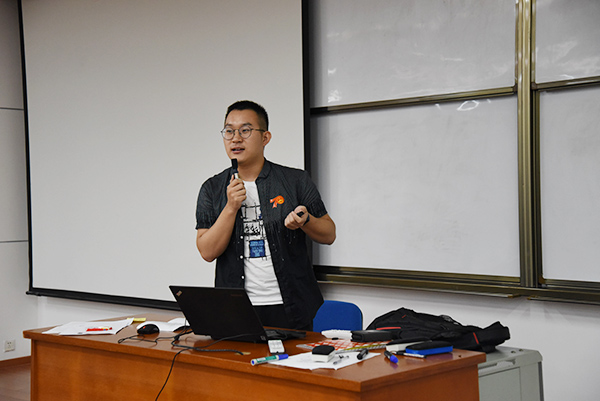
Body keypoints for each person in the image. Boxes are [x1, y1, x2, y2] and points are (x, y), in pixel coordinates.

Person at [195, 100, 336, 331]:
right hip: (236, 307)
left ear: (265, 137)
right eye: (229, 131)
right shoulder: (212, 188)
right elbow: (207, 251)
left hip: (291, 304)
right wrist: (230, 207)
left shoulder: (295, 181)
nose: (235, 138)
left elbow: (329, 234)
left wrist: (306, 220)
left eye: (245, 130)